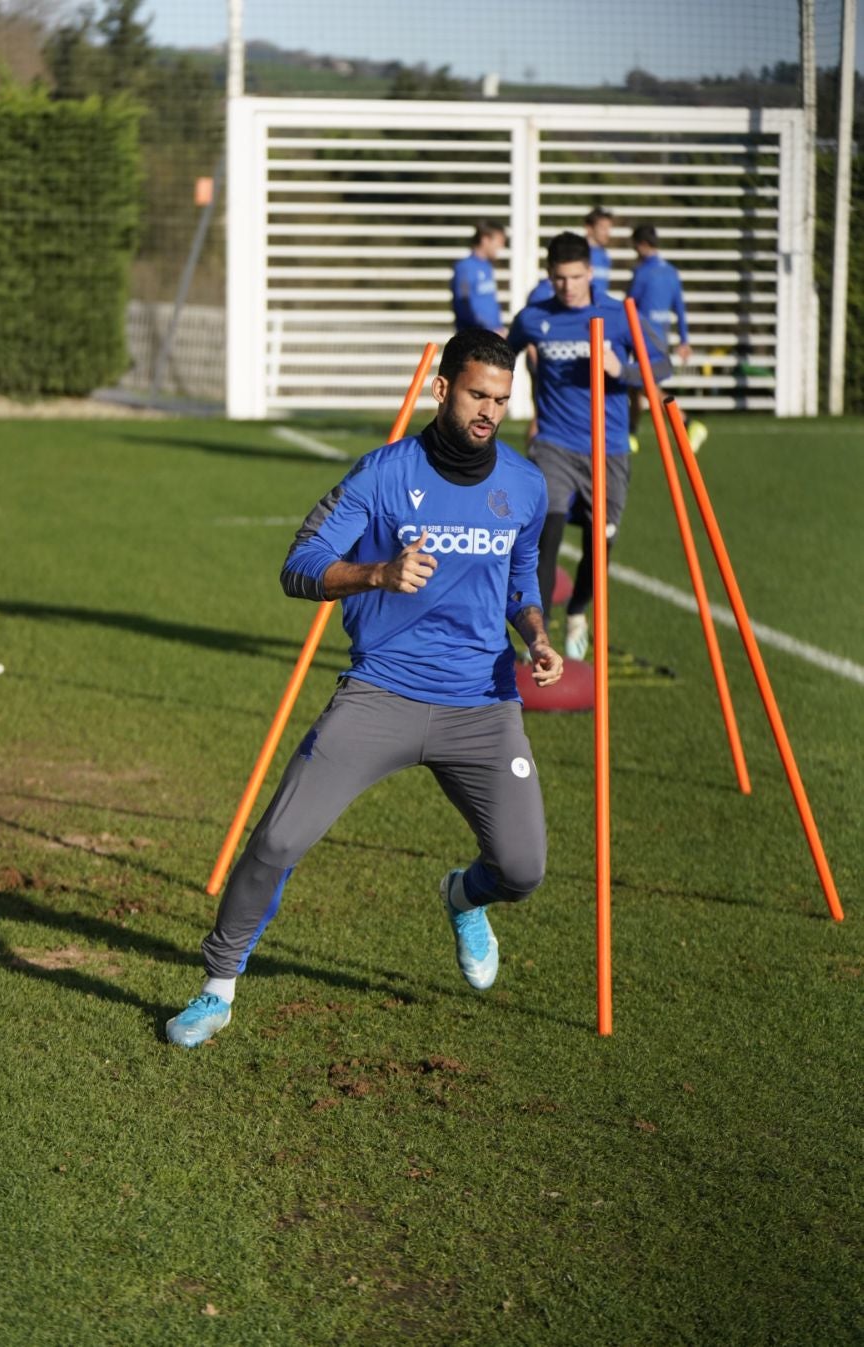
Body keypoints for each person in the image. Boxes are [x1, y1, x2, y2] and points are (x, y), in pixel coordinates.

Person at [166, 328, 564, 1049]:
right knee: (278, 838)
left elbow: (521, 582)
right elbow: (299, 563)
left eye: (502, 401)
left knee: (523, 868)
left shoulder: (525, 485)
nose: (489, 412)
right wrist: (375, 573)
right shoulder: (382, 474)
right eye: (478, 394)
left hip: (483, 704)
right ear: (442, 389)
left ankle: (461, 896)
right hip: (380, 692)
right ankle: (216, 987)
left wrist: (535, 634)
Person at [508, 232, 671, 661]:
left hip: (608, 447)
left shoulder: (618, 316)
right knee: (547, 533)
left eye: (576, 277)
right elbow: (501, 358)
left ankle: (578, 610)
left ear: (591, 273)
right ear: (549, 275)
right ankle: (535, 640)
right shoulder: (533, 318)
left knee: (602, 544)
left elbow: (664, 364)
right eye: (560, 278)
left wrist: (622, 369)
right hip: (553, 445)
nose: (568, 287)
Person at [628, 223, 707, 453]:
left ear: (641, 245)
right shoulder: (671, 272)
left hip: (642, 337)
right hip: (661, 337)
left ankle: (688, 423)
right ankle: (630, 435)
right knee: (635, 387)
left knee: (644, 386)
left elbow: (628, 305)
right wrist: (684, 340)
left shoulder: (642, 273)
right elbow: (680, 308)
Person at [525, 206, 615, 307]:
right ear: (589, 228)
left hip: (595, 310)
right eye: (603, 228)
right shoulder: (575, 254)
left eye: (609, 228)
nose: (607, 233)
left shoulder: (604, 256)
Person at [450, 219, 507, 333]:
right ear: (485, 239)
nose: (502, 246)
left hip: (491, 336)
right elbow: (463, 304)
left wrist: (499, 328)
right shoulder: (465, 268)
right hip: (474, 339)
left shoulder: (487, 266)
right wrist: (487, 329)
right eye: (499, 241)